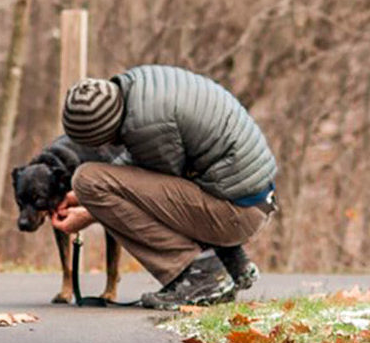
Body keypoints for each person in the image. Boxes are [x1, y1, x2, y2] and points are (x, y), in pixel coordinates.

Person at [51, 65, 277, 309]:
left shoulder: (146, 124)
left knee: (87, 179)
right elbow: (147, 178)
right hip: (249, 201)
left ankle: (202, 276)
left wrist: (91, 212)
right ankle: (232, 262)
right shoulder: (138, 88)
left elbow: (155, 191)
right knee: (91, 187)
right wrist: (82, 200)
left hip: (236, 213)